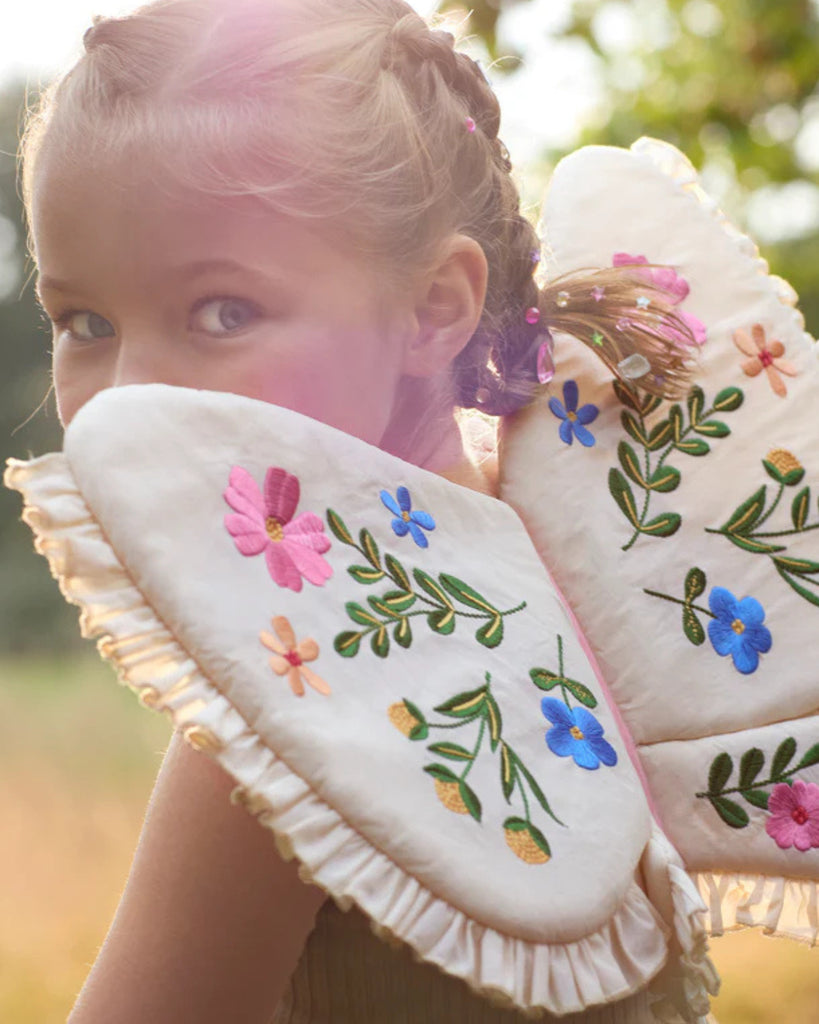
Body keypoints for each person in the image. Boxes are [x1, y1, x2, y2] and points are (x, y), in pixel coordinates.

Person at [17, 1, 707, 1021]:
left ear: (434, 307)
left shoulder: (305, 691)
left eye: (222, 311)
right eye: (84, 322)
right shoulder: (575, 560)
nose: (129, 395)